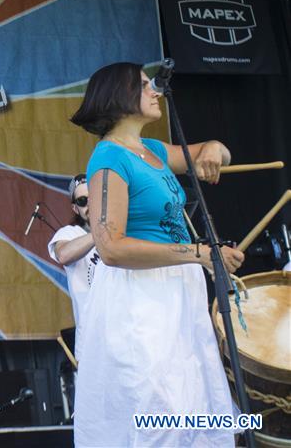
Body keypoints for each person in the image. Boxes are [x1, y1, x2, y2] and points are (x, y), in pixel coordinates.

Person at [69, 62, 244, 447]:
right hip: (140, 297)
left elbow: (217, 153)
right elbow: (111, 246)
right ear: (120, 95)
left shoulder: (153, 150)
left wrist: (214, 149)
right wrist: (196, 252)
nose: (156, 92)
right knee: (155, 405)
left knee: (192, 396)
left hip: (178, 288)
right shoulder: (109, 158)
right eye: (145, 86)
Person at [47, 173, 100, 354]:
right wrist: (101, 232)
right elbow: (63, 255)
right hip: (93, 341)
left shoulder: (122, 230)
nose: (90, 205)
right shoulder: (69, 233)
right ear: (76, 208)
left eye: (94, 197)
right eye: (83, 200)